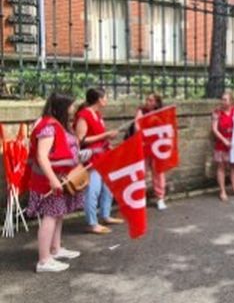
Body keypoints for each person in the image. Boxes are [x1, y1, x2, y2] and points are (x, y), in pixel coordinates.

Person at [26, 93, 83, 272]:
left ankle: (55, 249)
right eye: (70, 106)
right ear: (62, 107)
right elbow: (42, 156)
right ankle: (44, 260)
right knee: (50, 217)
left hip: (57, 178)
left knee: (57, 215)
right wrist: (52, 179)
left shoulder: (52, 124)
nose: (73, 110)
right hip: (49, 180)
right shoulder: (49, 127)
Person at [75, 88, 122, 234]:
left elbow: (100, 136)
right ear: (99, 99)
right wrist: (106, 135)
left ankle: (105, 215)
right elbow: (81, 139)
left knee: (108, 187)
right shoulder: (83, 115)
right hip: (92, 158)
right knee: (93, 190)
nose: (107, 100)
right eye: (105, 97)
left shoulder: (97, 114)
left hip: (103, 155)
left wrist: (108, 141)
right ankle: (91, 222)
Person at [131, 93, 168, 210]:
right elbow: (137, 125)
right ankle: (141, 197)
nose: (148, 102)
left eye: (151, 100)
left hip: (156, 146)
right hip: (144, 145)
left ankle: (160, 197)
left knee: (159, 172)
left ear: (156, 103)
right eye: (147, 99)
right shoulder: (141, 111)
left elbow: (165, 127)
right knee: (142, 172)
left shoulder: (161, 112)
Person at [212, 90, 234, 201]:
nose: (223, 101)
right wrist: (224, 140)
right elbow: (214, 129)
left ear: (231, 101)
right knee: (221, 167)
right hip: (222, 143)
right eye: (222, 99)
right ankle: (222, 191)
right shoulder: (217, 112)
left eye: (225, 99)